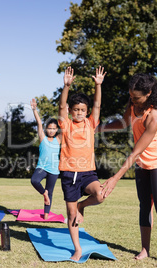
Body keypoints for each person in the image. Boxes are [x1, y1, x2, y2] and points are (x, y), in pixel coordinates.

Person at [99, 73, 157, 267]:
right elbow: (123, 124)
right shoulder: (132, 105)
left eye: (136, 96)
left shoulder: (153, 116)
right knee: (143, 205)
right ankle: (145, 249)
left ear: (148, 93)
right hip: (142, 161)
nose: (132, 99)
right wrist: (98, 128)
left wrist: (115, 178)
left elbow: (136, 152)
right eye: (131, 95)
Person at [58, 66, 107, 261]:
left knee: (100, 195)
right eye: (76, 110)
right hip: (69, 173)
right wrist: (66, 87)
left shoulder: (90, 123)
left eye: (82, 110)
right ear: (71, 111)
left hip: (88, 172)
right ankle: (77, 249)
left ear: (86, 112)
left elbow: (97, 105)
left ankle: (82, 206)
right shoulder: (66, 123)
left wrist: (98, 85)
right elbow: (61, 106)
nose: (79, 112)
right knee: (70, 215)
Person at [30, 98, 61, 220]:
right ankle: (44, 193)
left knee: (51, 191)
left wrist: (67, 110)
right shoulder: (42, 137)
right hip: (42, 167)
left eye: (54, 129)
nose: (51, 130)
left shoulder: (58, 139)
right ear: (46, 129)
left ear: (57, 129)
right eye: (49, 128)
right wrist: (34, 110)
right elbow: (39, 123)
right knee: (34, 180)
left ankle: (46, 215)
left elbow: (67, 125)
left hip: (54, 169)